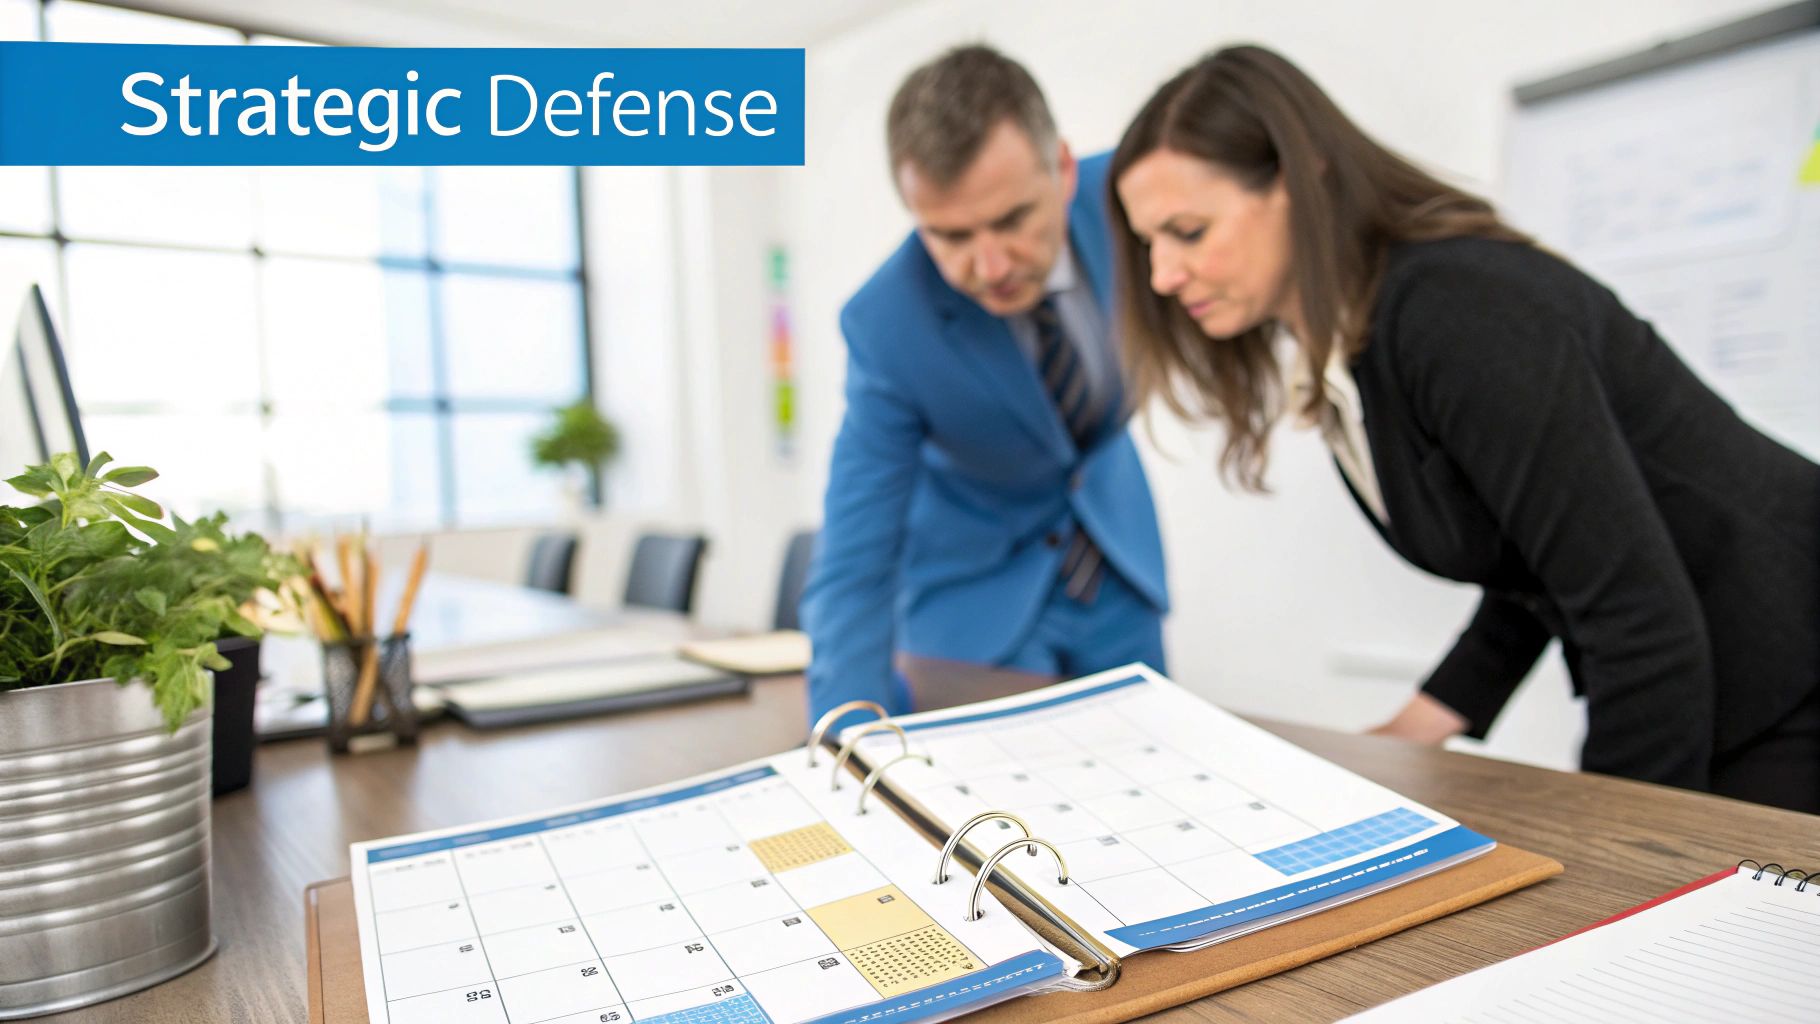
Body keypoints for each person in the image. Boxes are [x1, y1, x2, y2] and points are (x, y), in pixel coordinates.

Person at [1107, 45, 1820, 811]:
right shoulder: (1364, 343)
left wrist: (1619, 861)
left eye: (1188, 230)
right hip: (1728, 669)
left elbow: (1635, 615)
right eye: (1150, 242)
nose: (1162, 276)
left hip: (1785, 655)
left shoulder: (1457, 313)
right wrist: (1416, 728)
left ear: (1299, 177)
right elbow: (1537, 561)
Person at [801, 45, 1169, 731]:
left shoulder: (1138, 200)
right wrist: (845, 733)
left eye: (1011, 220)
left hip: (1119, 566)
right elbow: (857, 544)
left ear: (1060, 169)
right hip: (976, 603)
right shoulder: (885, 323)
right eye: (950, 236)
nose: (989, 265)